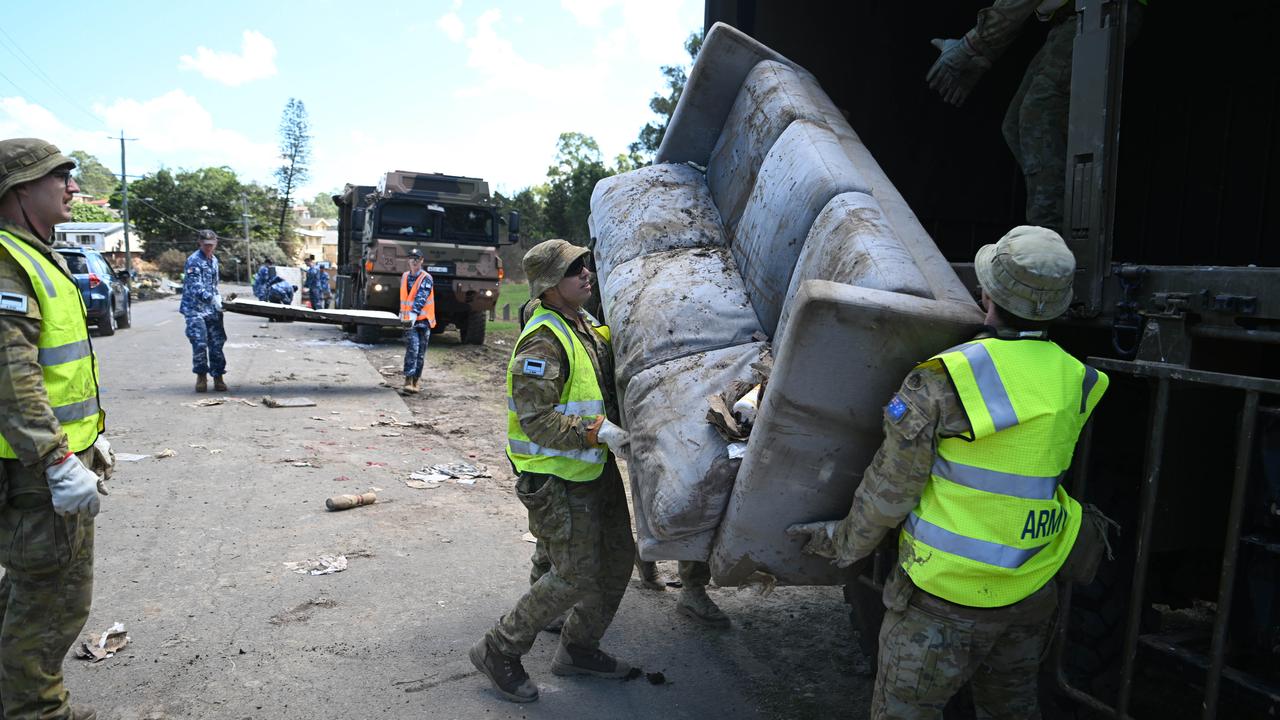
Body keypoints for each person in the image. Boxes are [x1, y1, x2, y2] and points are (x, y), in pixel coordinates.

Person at [787, 226, 1109, 719]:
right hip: (1031, 587)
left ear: (987, 294)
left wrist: (841, 543)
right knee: (1013, 710)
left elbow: (892, 490)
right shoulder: (1080, 379)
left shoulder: (946, 378)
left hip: (944, 598)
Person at [471, 239, 633, 703]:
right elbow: (536, 420)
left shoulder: (583, 325)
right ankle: (499, 648)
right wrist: (596, 431)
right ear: (548, 285)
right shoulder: (543, 339)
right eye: (573, 269)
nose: (586, 273)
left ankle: (580, 648)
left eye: (585, 265)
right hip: (556, 477)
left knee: (619, 558)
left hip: (591, 469)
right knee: (574, 574)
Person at [0, 137, 110, 720]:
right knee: (51, 603)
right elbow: (12, 375)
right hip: (34, 473)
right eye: (57, 177)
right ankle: (36, 713)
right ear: (18, 191)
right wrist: (56, 460)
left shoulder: (35, 253)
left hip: (47, 462)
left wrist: (90, 439)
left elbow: (56, 368)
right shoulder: (8, 260)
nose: (71, 187)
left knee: (25, 593)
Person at [926, 0, 1075, 231]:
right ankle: (1052, 228)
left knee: (1038, 115)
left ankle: (1050, 236)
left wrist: (972, 46)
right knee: (1015, 124)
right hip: (1072, 19)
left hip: (1101, 11)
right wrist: (980, 56)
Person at [180, 230, 227, 393]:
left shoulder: (213, 260)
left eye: (211, 245)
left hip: (211, 309)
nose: (208, 248)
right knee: (199, 343)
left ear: (216, 244)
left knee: (217, 343)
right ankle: (201, 376)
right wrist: (211, 298)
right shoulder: (194, 261)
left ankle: (218, 376)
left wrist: (218, 299)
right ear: (199, 243)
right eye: (205, 245)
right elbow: (195, 287)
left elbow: (214, 284)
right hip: (195, 309)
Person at [398, 249, 435, 395]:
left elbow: (421, 297)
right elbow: (404, 297)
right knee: (412, 349)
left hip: (423, 321)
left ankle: (416, 380)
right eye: (412, 258)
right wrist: (402, 313)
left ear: (422, 261)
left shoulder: (426, 278)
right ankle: (408, 379)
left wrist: (413, 313)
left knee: (420, 353)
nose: (414, 261)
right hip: (409, 321)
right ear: (408, 260)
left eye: (417, 258)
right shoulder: (405, 276)